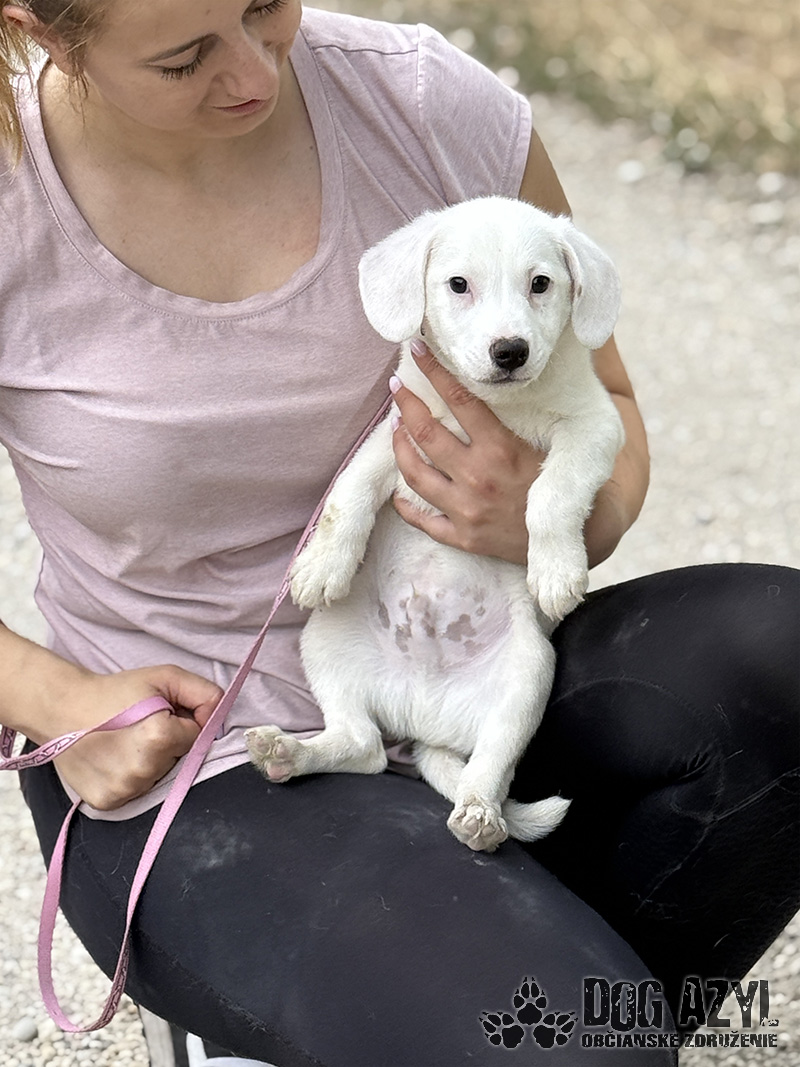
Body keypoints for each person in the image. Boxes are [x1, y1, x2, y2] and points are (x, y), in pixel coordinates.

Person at [0, 1, 796, 1064]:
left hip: (466, 678)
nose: (255, 72)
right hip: (213, 758)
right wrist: (55, 701)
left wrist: (549, 519)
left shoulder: (421, 101)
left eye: (266, 6)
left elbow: (604, 394)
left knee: (783, 652)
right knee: (560, 1041)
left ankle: (465, 985)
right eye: (186, 58)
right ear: (45, 30)